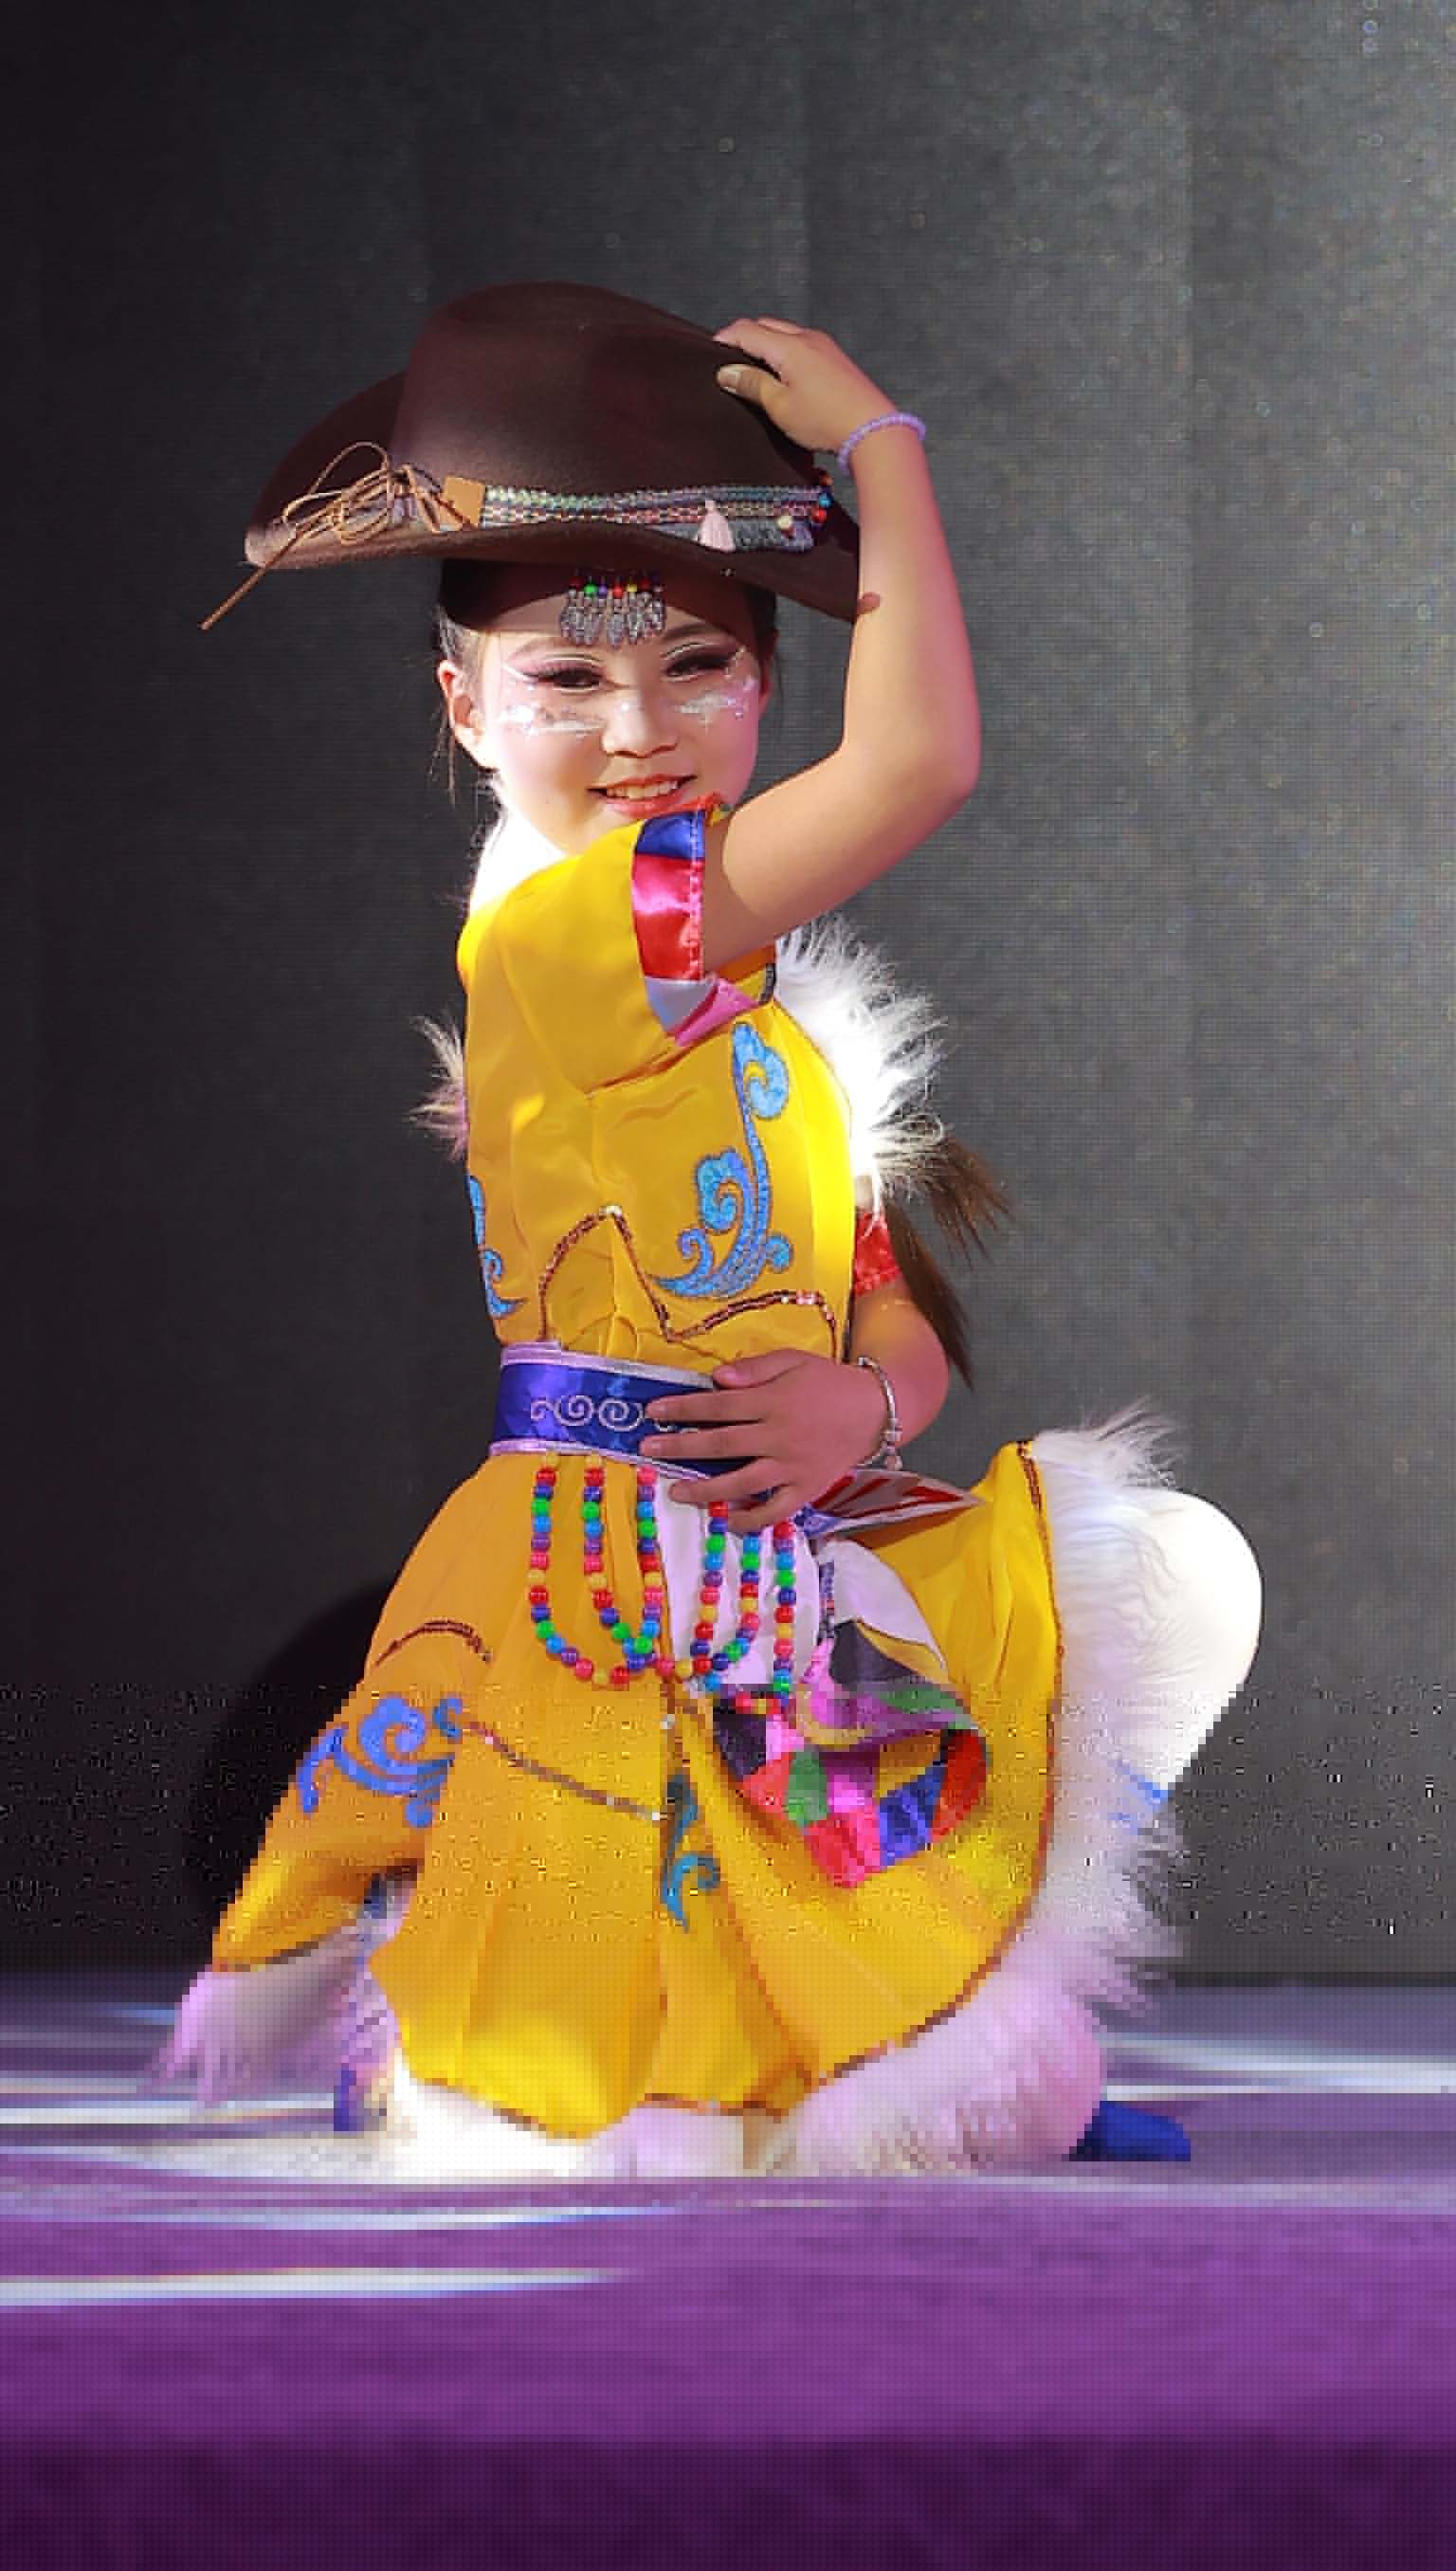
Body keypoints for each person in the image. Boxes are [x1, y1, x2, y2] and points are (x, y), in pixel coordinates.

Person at [161, 282, 1262, 2177]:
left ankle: (905, 1989)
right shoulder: (564, 940)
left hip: (781, 1556)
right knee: (671, 2098)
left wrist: (860, 1409)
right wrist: (882, 455)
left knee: (1176, 1574)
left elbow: (886, 1315)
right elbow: (920, 765)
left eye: (697, 667)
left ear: (765, 688)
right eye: (567, 682)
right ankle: (466, 1998)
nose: (642, 731)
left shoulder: (772, 1029)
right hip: (612, 1574)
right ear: (464, 704)